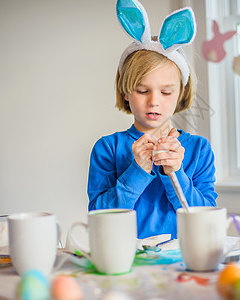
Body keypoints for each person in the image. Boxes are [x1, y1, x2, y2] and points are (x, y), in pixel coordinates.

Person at [87, 0, 218, 239]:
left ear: (181, 93)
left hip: (183, 261)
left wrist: (177, 173)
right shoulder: (107, 148)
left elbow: (207, 218)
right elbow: (99, 218)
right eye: (142, 90)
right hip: (126, 260)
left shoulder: (200, 150)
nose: (154, 101)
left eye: (166, 92)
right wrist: (136, 171)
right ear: (126, 92)